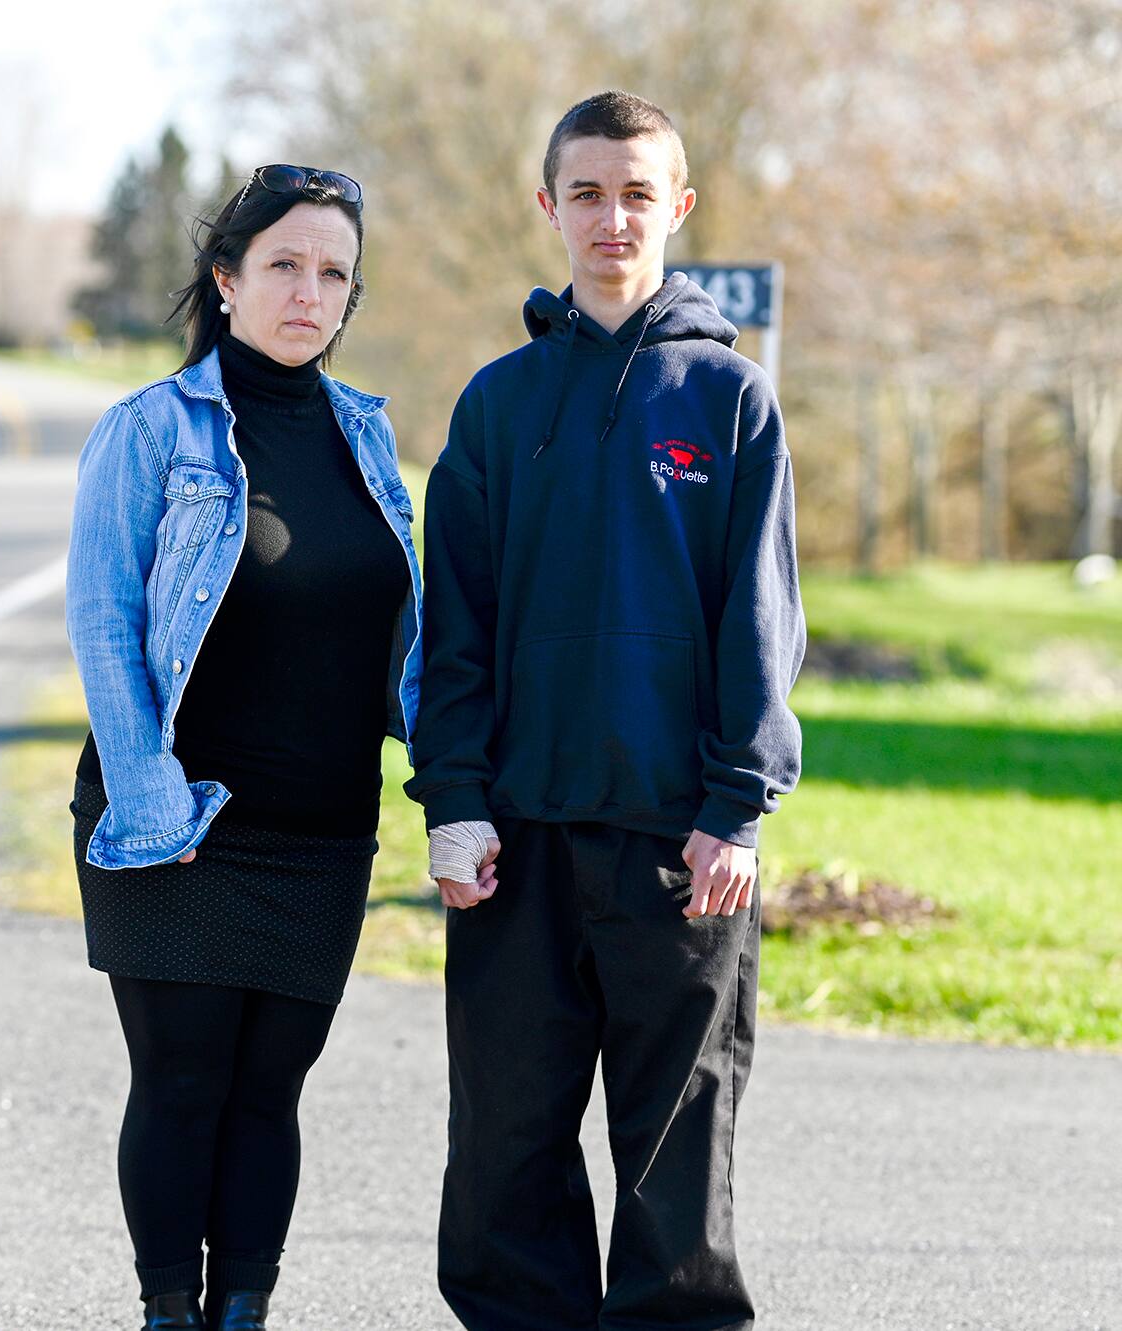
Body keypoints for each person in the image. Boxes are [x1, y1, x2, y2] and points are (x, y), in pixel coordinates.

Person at [405, 91, 805, 1331]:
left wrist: (735, 807)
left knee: (672, 1168)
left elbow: (760, 621)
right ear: (547, 209)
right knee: (502, 1159)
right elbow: (452, 627)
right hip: (514, 838)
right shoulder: (495, 403)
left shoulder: (727, 400)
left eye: (636, 192)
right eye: (584, 191)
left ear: (676, 207)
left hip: (676, 847)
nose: (610, 217)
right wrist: (454, 801)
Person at [63, 165, 425, 1331]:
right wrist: (148, 797)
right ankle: (170, 1311)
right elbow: (104, 624)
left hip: (322, 829)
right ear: (225, 281)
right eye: (282, 265)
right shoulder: (148, 431)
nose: (307, 293)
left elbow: (403, 632)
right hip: (180, 815)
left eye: (332, 274)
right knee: (181, 1082)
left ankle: (243, 1313)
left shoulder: (367, 436)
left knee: (271, 1092)